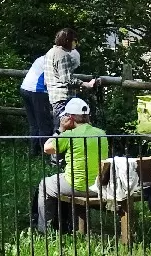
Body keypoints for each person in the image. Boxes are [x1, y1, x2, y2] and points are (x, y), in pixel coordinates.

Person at [34, 98, 108, 232]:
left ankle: (44, 230)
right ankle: (69, 224)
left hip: (77, 185)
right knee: (60, 177)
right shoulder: (101, 133)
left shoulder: (68, 135)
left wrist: (60, 129)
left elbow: (47, 148)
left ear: (71, 118)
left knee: (44, 184)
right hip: (98, 185)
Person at [43, 28, 96, 129]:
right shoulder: (63, 55)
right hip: (64, 97)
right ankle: (56, 145)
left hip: (54, 96)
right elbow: (67, 79)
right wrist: (86, 84)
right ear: (68, 40)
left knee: (59, 125)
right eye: (75, 40)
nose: (76, 44)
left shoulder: (50, 52)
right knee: (64, 127)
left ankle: (55, 144)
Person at [19, 48, 63, 155]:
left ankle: (34, 151)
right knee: (44, 124)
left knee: (34, 124)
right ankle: (46, 153)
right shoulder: (51, 62)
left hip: (25, 89)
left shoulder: (41, 59)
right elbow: (49, 81)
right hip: (37, 91)